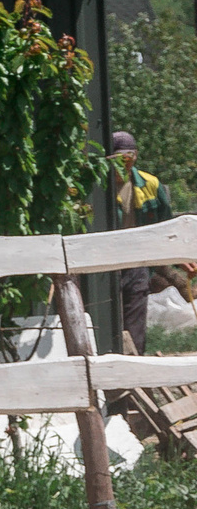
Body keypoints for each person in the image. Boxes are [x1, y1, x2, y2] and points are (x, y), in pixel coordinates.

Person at [111, 130, 180, 351]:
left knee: (134, 326)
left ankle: (134, 368)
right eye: (119, 159)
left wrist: (179, 259)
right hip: (105, 266)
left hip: (137, 264)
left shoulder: (150, 184)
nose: (125, 163)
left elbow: (166, 227)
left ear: (136, 157)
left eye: (129, 158)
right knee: (106, 322)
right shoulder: (98, 187)